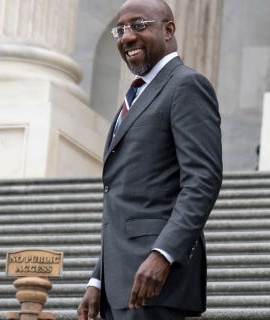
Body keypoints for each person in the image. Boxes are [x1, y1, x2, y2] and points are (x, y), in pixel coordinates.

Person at [77, 0, 222, 319]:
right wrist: (97, 278)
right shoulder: (135, 97)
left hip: (156, 280)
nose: (126, 37)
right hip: (118, 285)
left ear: (168, 29)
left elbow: (202, 180)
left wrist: (164, 254)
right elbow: (123, 200)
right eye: (121, 29)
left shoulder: (186, 85)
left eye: (138, 25)